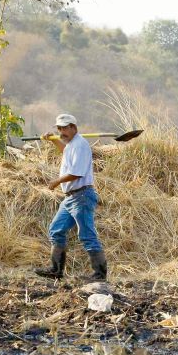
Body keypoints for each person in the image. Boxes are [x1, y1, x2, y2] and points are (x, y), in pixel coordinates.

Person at [35, 113, 107, 281]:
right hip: (70, 198)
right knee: (56, 230)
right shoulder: (72, 144)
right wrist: (53, 140)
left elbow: (76, 173)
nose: (61, 132)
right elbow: (65, 151)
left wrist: (55, 182)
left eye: (65, 128)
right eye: (59, 129)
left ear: (74, 128)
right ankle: (56, 270)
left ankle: (99, 275)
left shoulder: (80, 145)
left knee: (87, 235)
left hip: (81, 196)